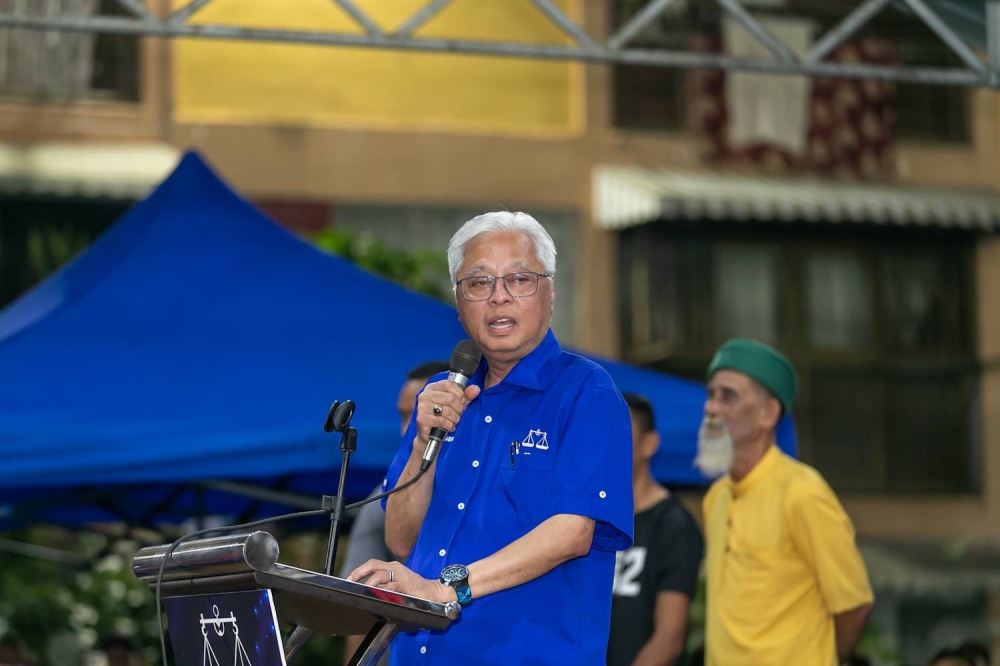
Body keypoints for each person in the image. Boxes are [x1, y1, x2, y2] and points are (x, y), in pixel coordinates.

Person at [347, 211, 634, 665]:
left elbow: (572, 533)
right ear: (459, 303)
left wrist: (448, 589)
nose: (499, 297)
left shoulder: (587, 393)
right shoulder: (443, 394)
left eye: (519, 279)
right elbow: (402, 540)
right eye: (479, 283)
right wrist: (424, 442)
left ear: (551, 293)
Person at [700, 338, 874, 666]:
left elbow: (854, 605)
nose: (710, 408)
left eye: (728, 397)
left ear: (768, 413)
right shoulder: (716, 497)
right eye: (710, 394)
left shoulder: (802, 493)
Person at [338, 359, 449, 666]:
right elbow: (358, 607)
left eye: (421, 415)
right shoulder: (382, 501)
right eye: (405, 416)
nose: (407, 429)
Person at [607, 392, 703, 666]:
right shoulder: (587, 518)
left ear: (649, 444)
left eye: (622, 432)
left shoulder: (673, 524)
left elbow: (670, 638)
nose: (610, 443)